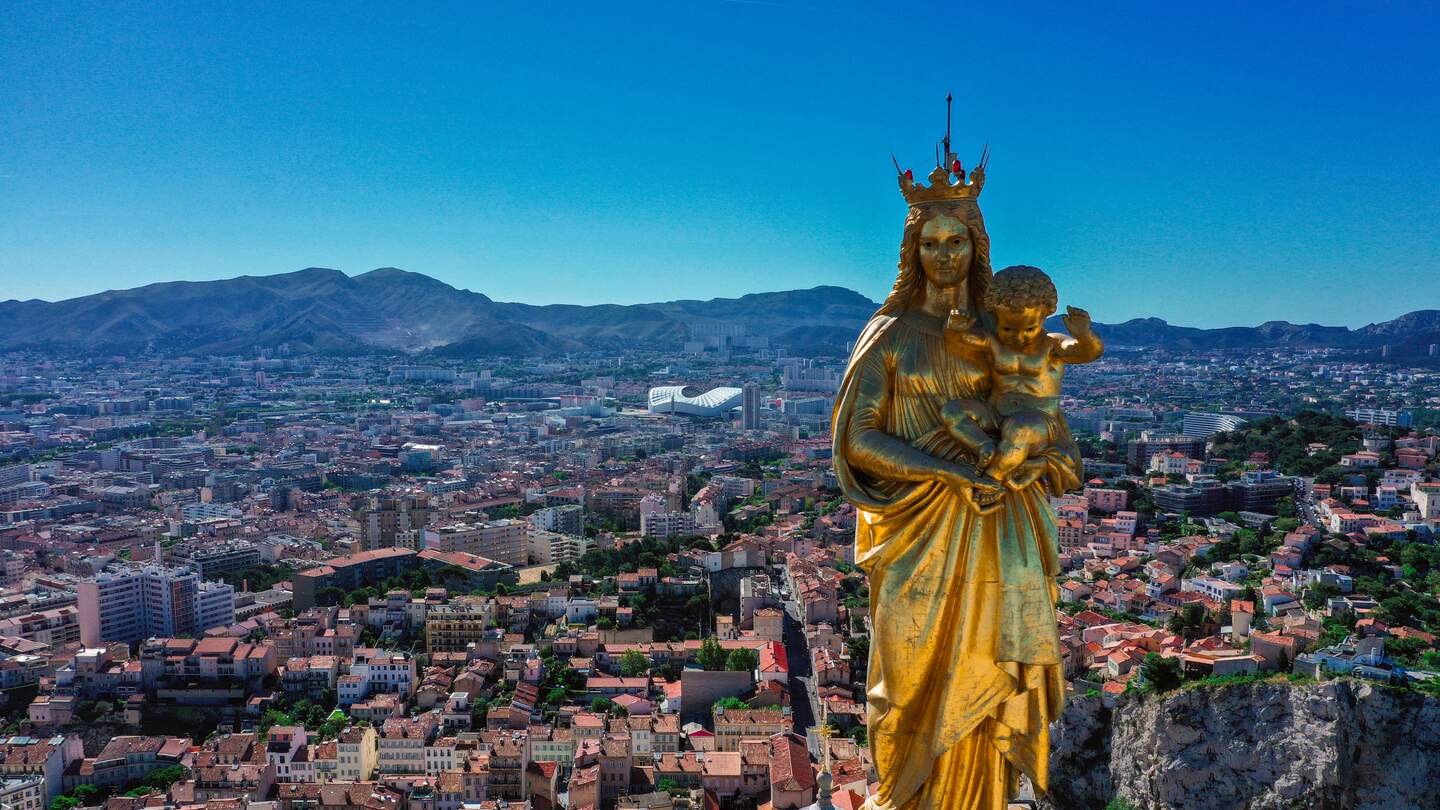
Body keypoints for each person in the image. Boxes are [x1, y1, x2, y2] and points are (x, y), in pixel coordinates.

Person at [832, 188, 1081, 808]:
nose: (944, 255)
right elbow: (857, 438)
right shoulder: (887, 333)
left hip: (999, 526)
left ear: (978, 247)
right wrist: (948, 472)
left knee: (988, 674)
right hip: (913, 526)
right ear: (912, 251)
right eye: (931, 242)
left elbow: (1052, 434)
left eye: (957, 241)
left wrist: (1032, 465)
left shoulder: (1008, 335)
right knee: (902, 683)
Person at [940, 264, 1104, 489]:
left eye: (1029, 329)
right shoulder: (992, 341)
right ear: (996, 316)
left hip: (1038, 423)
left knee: (1020, 430)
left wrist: (1085, 335)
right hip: (995, 414)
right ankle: (985, 448)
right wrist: (954, 329)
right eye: (1008, 329)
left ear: (1045, 316)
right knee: (953, 411)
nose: (1018, 337)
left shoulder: (1051, 344)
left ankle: (992, 479)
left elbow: (1088, 352)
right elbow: (960, 342)